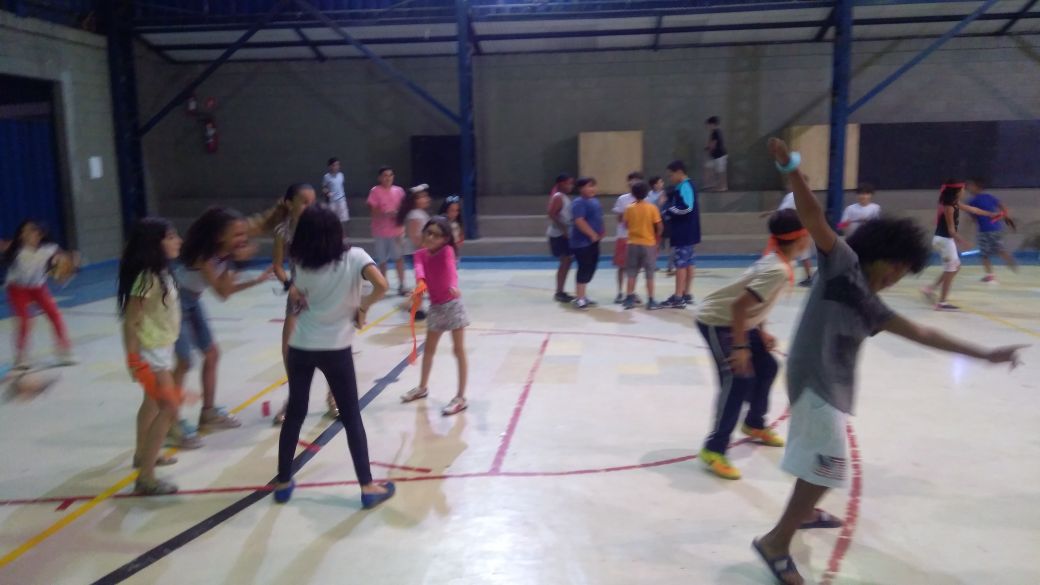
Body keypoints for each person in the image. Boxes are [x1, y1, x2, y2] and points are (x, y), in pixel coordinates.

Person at [754, 138, 1024, 585]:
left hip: (828, 383)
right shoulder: (842, 265)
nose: (896, 277)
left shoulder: (871, 305)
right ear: (876, 253)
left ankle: (805, 513)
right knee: (827, 465)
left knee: (819, 462)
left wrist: (987, 354)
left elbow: (923, 333)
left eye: (904, 272)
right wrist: (791, 167)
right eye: (895, 266)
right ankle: (775, 543)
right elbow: (814, 216)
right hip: (815, 379)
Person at [273, 206, 395, 509]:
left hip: (301, 346)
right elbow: (382, 285)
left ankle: (283, 483)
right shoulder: (355, 257)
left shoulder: (303, 264)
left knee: (296, 413)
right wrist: (362, 306)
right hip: (335, 349)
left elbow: (296, 297)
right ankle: (367, 487)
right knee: (351, 416)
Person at [695, 209, 811, 480]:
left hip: (740, 322)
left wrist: (760, 331)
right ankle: (713, 449)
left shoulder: (779, 260)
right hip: (718, 320)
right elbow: (738, 306)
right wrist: (740, 348)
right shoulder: (778, 269)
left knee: (768, 366)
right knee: (739, 378)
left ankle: (754, 423)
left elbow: (754, 303)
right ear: (801, 238)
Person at [171, 207, 273, 448]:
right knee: (184, 362)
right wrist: (240, 264)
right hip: (174, 303)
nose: (242, 239)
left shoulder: (223, 255)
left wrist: (253, 277)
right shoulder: (205, 257)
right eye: (237, 235)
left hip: (192, 300)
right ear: (219, 236)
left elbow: (225, 292)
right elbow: (221, 292)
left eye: (243, 234)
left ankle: (208, 413)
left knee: (212, 354)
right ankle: (170, 422)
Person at [118, 218, 184, 495]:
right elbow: (131, 321)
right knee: (169, 408)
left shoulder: (162, 272)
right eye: (171, 237)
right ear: (155, 244)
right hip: (151, 352)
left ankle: (142, 455)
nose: (178, 241)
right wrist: (133, 358)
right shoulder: (146, 278)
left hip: (161, 347)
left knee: (152, 404)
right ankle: (146, 478)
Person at [270, 184, 338, 425]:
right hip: (297, 295)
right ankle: (295, 398)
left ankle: (333, 396)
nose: (310, 206)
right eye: (304, 201)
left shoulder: (321, 226)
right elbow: (277, 266)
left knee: (329, 348)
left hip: (323, 294)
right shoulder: (283, 230)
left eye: (313, 201)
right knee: (289, 348)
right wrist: (290, 285)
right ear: (290, 204)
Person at [400, 216, 470, 416]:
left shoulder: (447, 251)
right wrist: (419, 286)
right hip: (436, 308)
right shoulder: (419, 254)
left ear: (445, 239)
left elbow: (450, 268)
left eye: (436, 235)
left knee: (458, 350)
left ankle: (460, 397)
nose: (431, 237)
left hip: (453, 305)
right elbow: (420, 271)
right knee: (429, 350)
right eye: (428, 233)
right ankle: (422, 387)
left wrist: (453, 286)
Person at [2, 220, 78, 369]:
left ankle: (64, 351)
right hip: (17, 288)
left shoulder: (49, 249)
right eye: (24, 231)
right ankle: (21, 357)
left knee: (55, 315)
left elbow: (62, 269)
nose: (28, 233)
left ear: (40, 234)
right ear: (21, 235)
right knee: (25, 321)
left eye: (32, 230)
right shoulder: (16, 250)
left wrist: (68, 264)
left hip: (38, 287)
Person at [921, 181, 993, 311]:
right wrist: (964, 242)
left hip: (943, 240)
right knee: (951, 270)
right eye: (963, 189)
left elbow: (973, 210)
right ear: (957, 191)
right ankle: (942, 303)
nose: (964, 191)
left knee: (955, 267)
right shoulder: (949, 207)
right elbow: (951, 231)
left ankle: (930, 289)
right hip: (944, 240)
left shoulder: (954, 203)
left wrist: (990, 214)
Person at [661, 161, 700, 308]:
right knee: (689, 262)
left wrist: (667, 209)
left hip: (684, 231)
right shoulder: (683, 186)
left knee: (681, 264)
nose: (670, 178)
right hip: (689, 231)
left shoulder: (685, 186)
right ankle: (686, 293)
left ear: (679, 172)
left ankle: (678, 296)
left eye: (671, 175)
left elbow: (687, 208)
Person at [964, 178, 1018, 283]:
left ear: (977, 187)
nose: (968, 188)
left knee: (987, 253)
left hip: (985, 230)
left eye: (971, 186)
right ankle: (996, 272)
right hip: (994, 228)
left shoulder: (972, 201)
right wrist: (1004, 216)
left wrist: (968, 230)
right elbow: (1002, 206)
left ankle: (995, 272)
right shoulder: (989, 197)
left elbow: (973, 218)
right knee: (990, 252)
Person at [367, 166, 409, 296]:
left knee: (399, 259)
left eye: (390, 175)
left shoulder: (399, 191)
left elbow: (405, 208)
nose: (388, 178)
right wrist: (386, 213)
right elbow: (372, 211)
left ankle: (402, 285)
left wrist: (399, 214)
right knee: (382, 260)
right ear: (380, 178)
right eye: (385, 175)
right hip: (380, 231)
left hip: (397, 231)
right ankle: (383, 286)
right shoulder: (375, 191)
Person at [621, 181, 663, 310]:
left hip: (632, 243)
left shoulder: (629, 208)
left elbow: (625, 225)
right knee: (649, 273)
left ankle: (629, 299)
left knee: (632, 272)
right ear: (646, 193)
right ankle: (651, 300)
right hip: (648, 244)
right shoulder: (652, 208)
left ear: (633, 193)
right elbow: (659, 227)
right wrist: (656, 240)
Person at [569, 177, 605, 310]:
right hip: (581, 243)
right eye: (589, 186)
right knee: (584, 268)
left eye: (593, 186)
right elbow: (579, 221)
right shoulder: (578, 203)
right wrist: (592, 234)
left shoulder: (595, 201)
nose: (592, 189)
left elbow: (598, 218)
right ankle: (580, 298)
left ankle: (583, 295)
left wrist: (601, 231)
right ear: (581, 188)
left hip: (594, 241)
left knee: (591, 267)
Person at [613, 171, 644, 304]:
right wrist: (630, 216)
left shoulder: (645, 199)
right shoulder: (622, 199)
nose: (634, 182)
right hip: (624, 236)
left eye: (637, 180)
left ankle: (631, 292)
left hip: (639, 237)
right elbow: (619, 219)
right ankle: (620, 292)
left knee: (636, 267)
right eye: (631, 180)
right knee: (622, 266)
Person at [547, 174, 576, 302]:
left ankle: (561, 290)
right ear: (561, 183)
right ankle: (559, 291)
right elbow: (551, 214)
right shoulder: (558, 197)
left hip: (564, 233)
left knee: (567, 262)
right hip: (559, 235)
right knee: (565, 261)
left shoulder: (564, 197)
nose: (571, 186)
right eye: (568, 183)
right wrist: (563, 229)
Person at [777, 190, 814, 286]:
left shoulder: (800, 196)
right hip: (794, 226)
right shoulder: (793, 195)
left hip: (797, 227)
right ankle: (807, 276)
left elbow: (784, 211)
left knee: (801, 253)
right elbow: (783, 210)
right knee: (800, 253)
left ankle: (808, 277)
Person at [322, 157, 349, 231]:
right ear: (330, 166)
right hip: (332, 201)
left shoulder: (341, 175)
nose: (337, 167)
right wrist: (327, 192)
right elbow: (324, 188)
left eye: (338, 165)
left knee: (343, 219)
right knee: (331, 219)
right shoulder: (326, 177)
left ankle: (342, 236)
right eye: (334, 165)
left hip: (342, 200)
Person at [704, 116, 728, 192]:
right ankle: (712, 184)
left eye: (708, 125)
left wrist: (709, 149)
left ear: (712, 124)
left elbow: (713, 144)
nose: (707, 126)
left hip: (720, 155)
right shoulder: (717, 131)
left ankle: (723, 186)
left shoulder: (715, 132)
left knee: (721, 171)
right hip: (716, 155)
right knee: (709, 167)